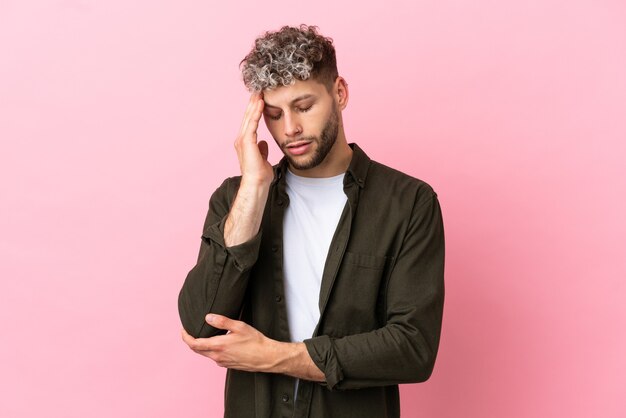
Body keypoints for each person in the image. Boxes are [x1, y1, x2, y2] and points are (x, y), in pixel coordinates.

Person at [178, 24, 445, 418]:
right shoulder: (236, 199)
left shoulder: (409, 203)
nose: (290, 130)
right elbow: (202, 327)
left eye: (303, 107)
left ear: (340, 92)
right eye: (273, 114)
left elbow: (413, 347)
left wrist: (275, 357)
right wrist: (254, 186)